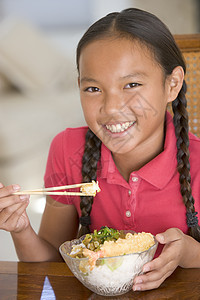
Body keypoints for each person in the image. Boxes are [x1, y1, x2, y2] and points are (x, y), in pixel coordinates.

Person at [0, 8, 200, 292]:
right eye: (93, 89)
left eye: (131, 84)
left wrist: (189, 252)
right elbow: (49, 267)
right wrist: (20, 229)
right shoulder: (68, 150)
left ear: (172, 84)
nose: (111, 108)